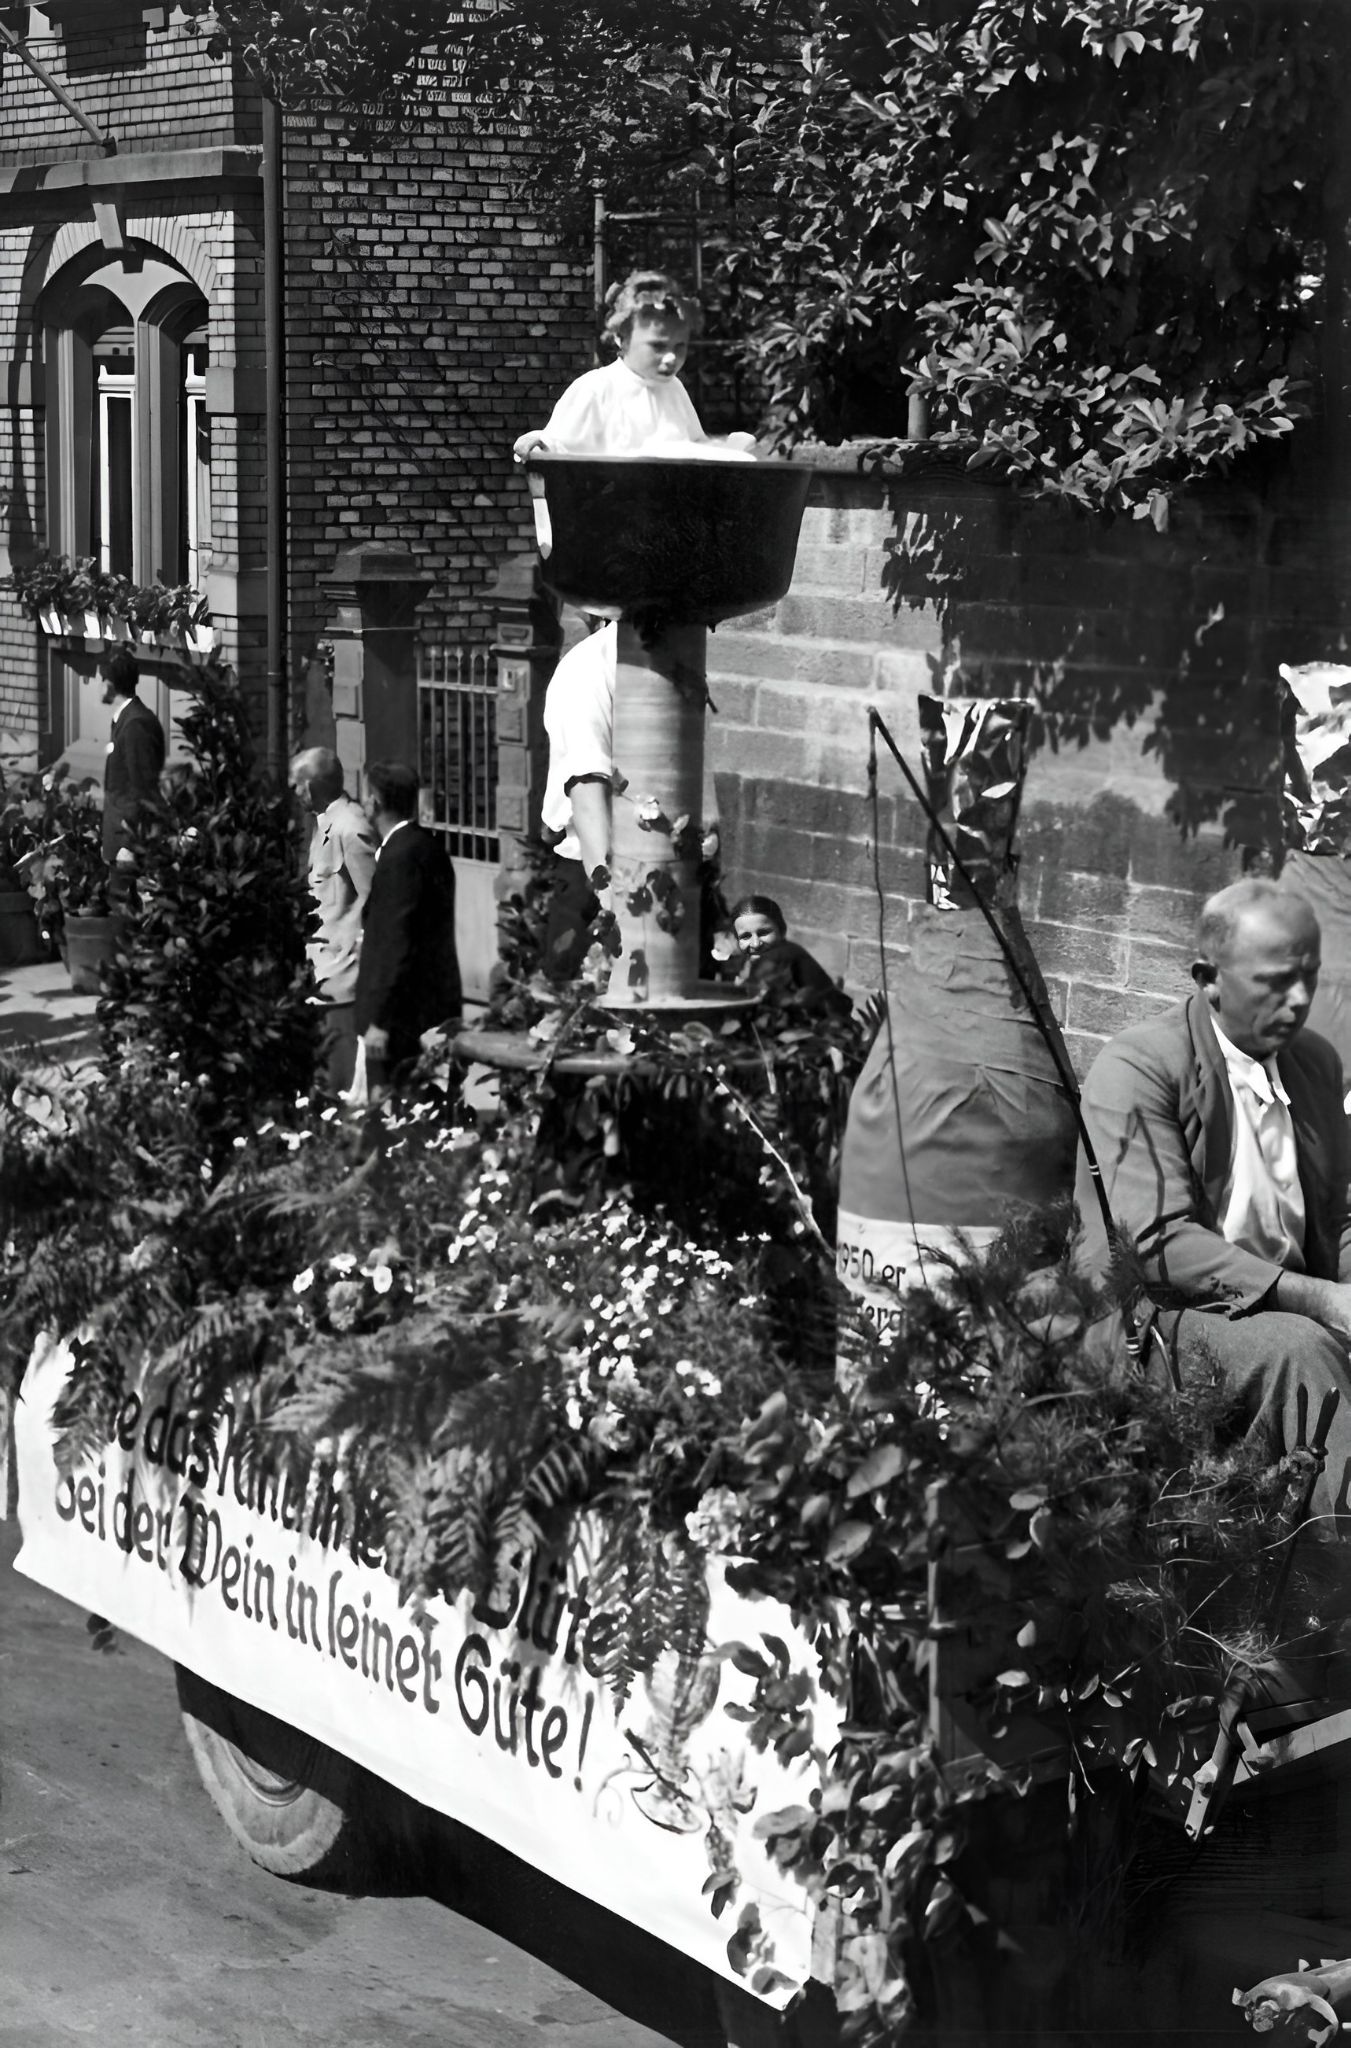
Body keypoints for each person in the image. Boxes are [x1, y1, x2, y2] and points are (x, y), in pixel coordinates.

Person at [1074, 877, 1351, 1531]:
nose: (1299, 1000)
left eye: (1309, 978)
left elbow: (1339, 1213)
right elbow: (1158, 1246)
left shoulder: (1312, 1063)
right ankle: (1335, 1568)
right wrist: (1317, 1297)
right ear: (1208, 978)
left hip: (1286, 1306)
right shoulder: (1138, 1067)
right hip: (1160, 1321)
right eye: (1276, 982)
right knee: (1298, 1350)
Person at [515, 270, 753, 979]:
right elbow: (555, 457)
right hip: (612, 555)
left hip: (662, 557)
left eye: (680, 346)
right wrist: (540, 452)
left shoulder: (672, 393)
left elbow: (686, 453)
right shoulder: (594, 390)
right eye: (658, 345)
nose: (671, 359)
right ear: (622, 335)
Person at [354, 760, 462, 1088]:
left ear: (374, 803)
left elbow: (396, 943)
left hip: (403, 1022)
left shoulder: (401, 858)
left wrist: (380, 1021)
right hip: (428, 1011)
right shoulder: (425, 847)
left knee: (398, 1118)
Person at [289, 745, 378, 1094]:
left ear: (312, 786)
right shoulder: (326, 822)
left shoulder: (350, 828)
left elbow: (375, 902)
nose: (295, 794)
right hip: (322, 971)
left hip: (344, 976)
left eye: (297, 786)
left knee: (340, 1088)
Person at [101, 649, 166, 896]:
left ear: (109, 684)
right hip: (118, 844)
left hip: (128, 848)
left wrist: (129, 844)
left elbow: (142, 787)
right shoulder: (125, 720)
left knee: (126, 920)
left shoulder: (136, 725)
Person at [726, 894, 853, 1018]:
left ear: (781, 930)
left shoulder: (780, 955)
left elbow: (752, 992)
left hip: (819, 1019)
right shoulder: (761, 955)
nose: (755, 942)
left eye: (763, 932)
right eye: (746, 936)